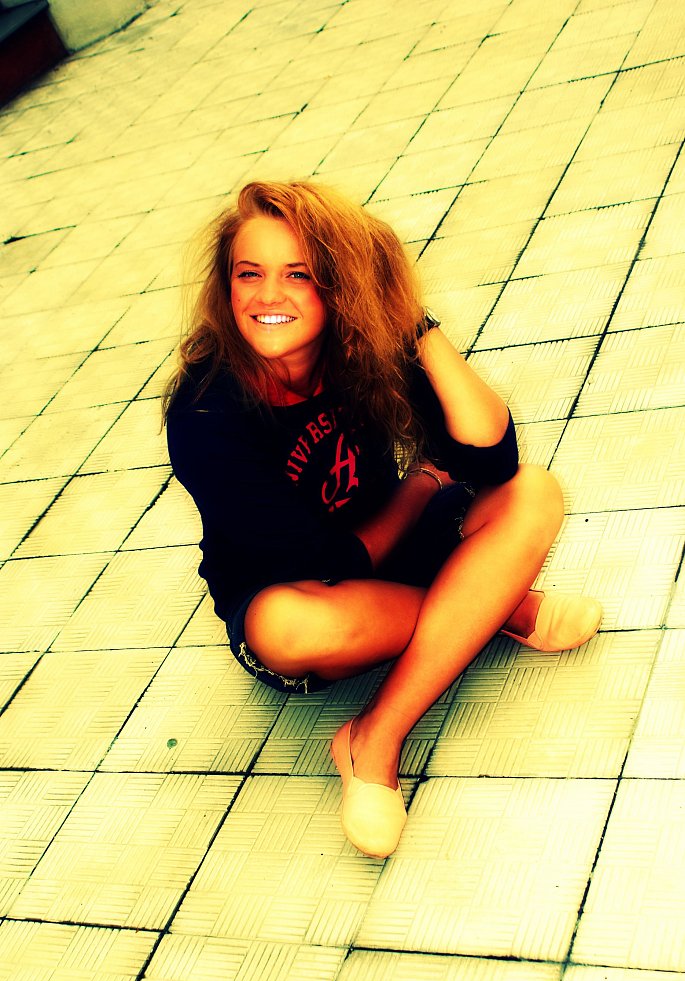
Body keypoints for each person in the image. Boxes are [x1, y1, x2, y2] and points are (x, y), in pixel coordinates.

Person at [164, 180, 602, 858]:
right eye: (248, 274)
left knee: (532, 493)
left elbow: (491, 457)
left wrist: (410, 322)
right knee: (289, 625)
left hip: (396, 552)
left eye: (298, 275)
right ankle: (497, 607)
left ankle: (373, 736)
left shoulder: (357, 348)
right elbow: (327, 559)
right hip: (306, 592)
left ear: (341, 288)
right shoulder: (204, 413)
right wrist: (420, 490)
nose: (267, 296)